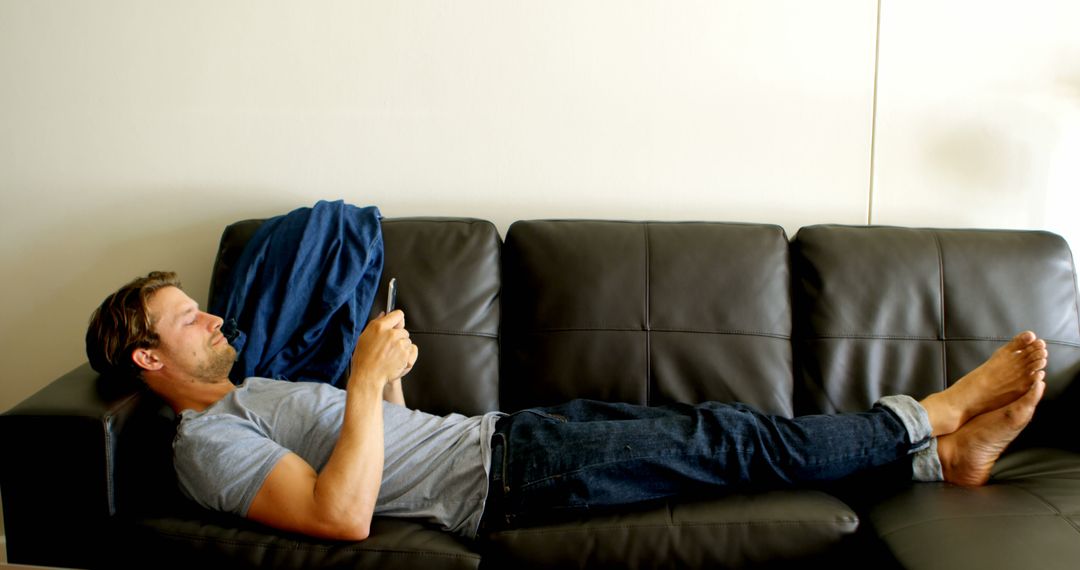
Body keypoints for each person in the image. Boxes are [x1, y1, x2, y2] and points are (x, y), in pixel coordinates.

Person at [86, 271, 1049, 542]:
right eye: (186, 319)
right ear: (147, 357)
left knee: (730, 432)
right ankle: (933, 414)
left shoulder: (248, 390)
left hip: (505, 439)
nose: (211, 316)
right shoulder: (205, 447)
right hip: (502, 481)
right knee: (732, 441)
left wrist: (390, 372)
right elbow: (340, 517)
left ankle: (937, 463)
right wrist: (364, 383)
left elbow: (377, 444)